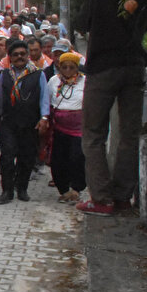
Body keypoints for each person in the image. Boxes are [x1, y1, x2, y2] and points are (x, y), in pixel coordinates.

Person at [76, 0, 147, 216]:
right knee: (129, 133)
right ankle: (124, 197)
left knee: (94, 134)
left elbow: (82, 22)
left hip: (102, 67)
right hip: (135, 65)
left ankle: (101, 199)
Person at [0, 40, 50, 204]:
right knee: (7, 157)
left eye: (22, 54)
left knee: (27, 157)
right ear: (10, 57)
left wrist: (44, 118)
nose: (19, 57)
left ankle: (22, 189)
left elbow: (44, 98)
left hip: (30, 122)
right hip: (9, 123)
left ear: (28, 55)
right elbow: (0, 100)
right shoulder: (4, 74)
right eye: (15, 55)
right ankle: (7, 191)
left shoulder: (38, 74)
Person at [48, 52, 87, 203]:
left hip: (79, 129)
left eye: (72, 67)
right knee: (58, 160)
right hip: (59, 128)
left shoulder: (85, 81)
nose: (68, 70)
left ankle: (76, 189)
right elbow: (48, 101)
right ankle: (63, 190)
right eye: (64, 67)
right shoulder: (53, 81)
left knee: (77, 158)